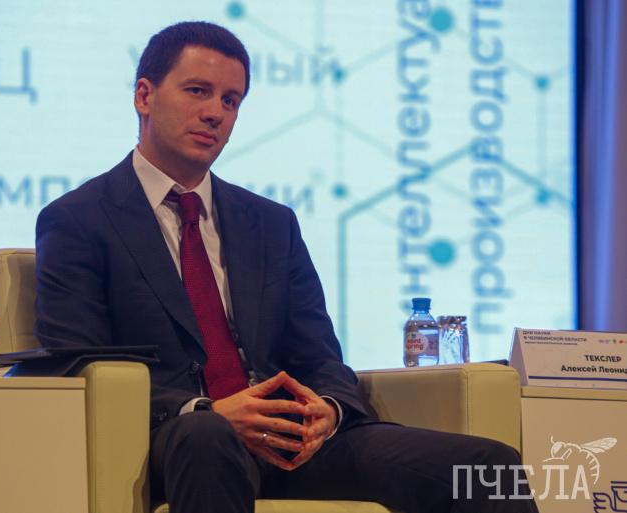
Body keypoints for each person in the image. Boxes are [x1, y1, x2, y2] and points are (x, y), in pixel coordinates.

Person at [34, 21, 538, 513]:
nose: (215, 113)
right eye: (198, 91)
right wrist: (207, 409)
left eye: (231, 101)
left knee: (487, 466)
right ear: (144, 96)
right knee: (207, 435)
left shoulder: (271, 223)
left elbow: (320, 356)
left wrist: (329, 409)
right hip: (178, 440)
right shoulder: (79, 220)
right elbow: (77, 365)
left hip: (288, 439)